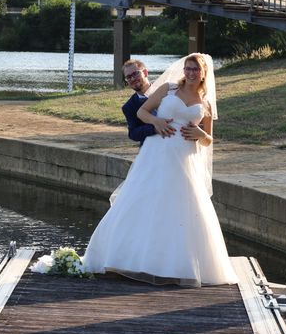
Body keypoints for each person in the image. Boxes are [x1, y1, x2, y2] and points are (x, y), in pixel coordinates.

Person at [82, 53, 237, 287]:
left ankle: (176, 265)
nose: (191, 72)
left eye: (195, 69)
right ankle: (122, 258)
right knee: (142, 200)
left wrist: (202, 134)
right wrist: (156, 123)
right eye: (187, 68)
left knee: (182, 208)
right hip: (157, 153)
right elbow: (141, 112)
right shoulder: (169, 88)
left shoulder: (205, 102)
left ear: (203, 72)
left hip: (185, 158)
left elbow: (209, 140)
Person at [121, 59, 174, 145]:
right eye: (128, 77)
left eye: (135, 73)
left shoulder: (167, 91)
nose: (133, 78)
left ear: (145, 73)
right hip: (151, 147)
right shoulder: (129, 107)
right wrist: (154, 128)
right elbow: (133, 133)